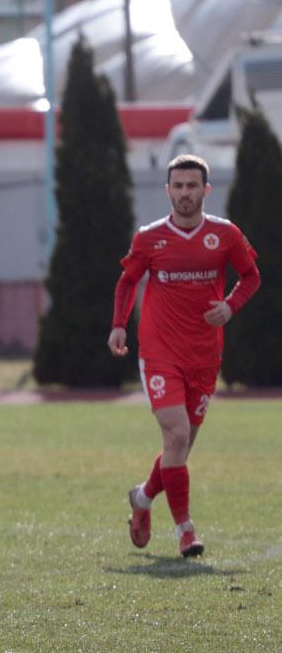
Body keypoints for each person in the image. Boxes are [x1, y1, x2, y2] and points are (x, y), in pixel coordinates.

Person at [109, 153, 260, 558]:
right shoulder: (149, 238)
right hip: (159, 351)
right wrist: (119, 324)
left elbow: (251, 276)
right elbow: (127, 281)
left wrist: (230, 306)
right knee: (175, 434)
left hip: (205, 355)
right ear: (168, 191)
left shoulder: (225, 235)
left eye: (192, 186)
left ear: (206, 190)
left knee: (181, 447)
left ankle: (142, 498)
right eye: (178, 186)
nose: (185, 193)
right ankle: (185, 531)